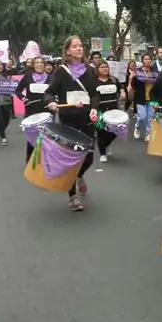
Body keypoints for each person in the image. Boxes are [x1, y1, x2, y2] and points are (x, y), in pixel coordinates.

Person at [43, 36, 99, 211]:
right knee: (71, 160)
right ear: (67, 50)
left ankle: (80, 175)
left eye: (81, 46)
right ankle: (72, 196)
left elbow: (94, 94)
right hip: (68, 121)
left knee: (88, 158)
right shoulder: (61, 71)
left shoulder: (90, 70)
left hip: (87, 120)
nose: (79, 49)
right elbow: (49, 92)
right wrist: (51, 102)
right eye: (75, 46)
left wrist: (94, 108)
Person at [16, 56, 50, 163]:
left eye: (41, 63)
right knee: (32, 137)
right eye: (37, 63)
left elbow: (55, 92)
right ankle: (30, 160)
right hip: (31, 110)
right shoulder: (28, 77)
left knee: (46, 137)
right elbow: (17, 91)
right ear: (33, 65)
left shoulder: (50, 78)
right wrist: (24, 98)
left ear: (44, 65)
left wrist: (55, 100)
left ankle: (44, 160)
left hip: (46, 111)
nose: (39, 64)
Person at [93, 58, 126, 163]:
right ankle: (102, 153)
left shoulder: (113, 79)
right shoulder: (93, 81)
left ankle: (106, 144)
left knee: (114, 131)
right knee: (101, 132)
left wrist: (122, 92)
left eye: (106, 66)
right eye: (102, 67)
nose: (105, 69)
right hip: (99, 110)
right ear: (97, 69)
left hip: (113, 109)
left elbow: (121, 87)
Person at [129, 54, 156, 141]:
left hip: (151, 98)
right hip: (140, 98)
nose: (147, 61)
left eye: (149, 59)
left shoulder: (154, 72)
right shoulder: (138, 72)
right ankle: (137, 127)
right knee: (142, 116)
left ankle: (148, 133)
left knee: (149, 117)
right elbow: (133, 85)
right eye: (145, 59)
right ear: (143, 61)